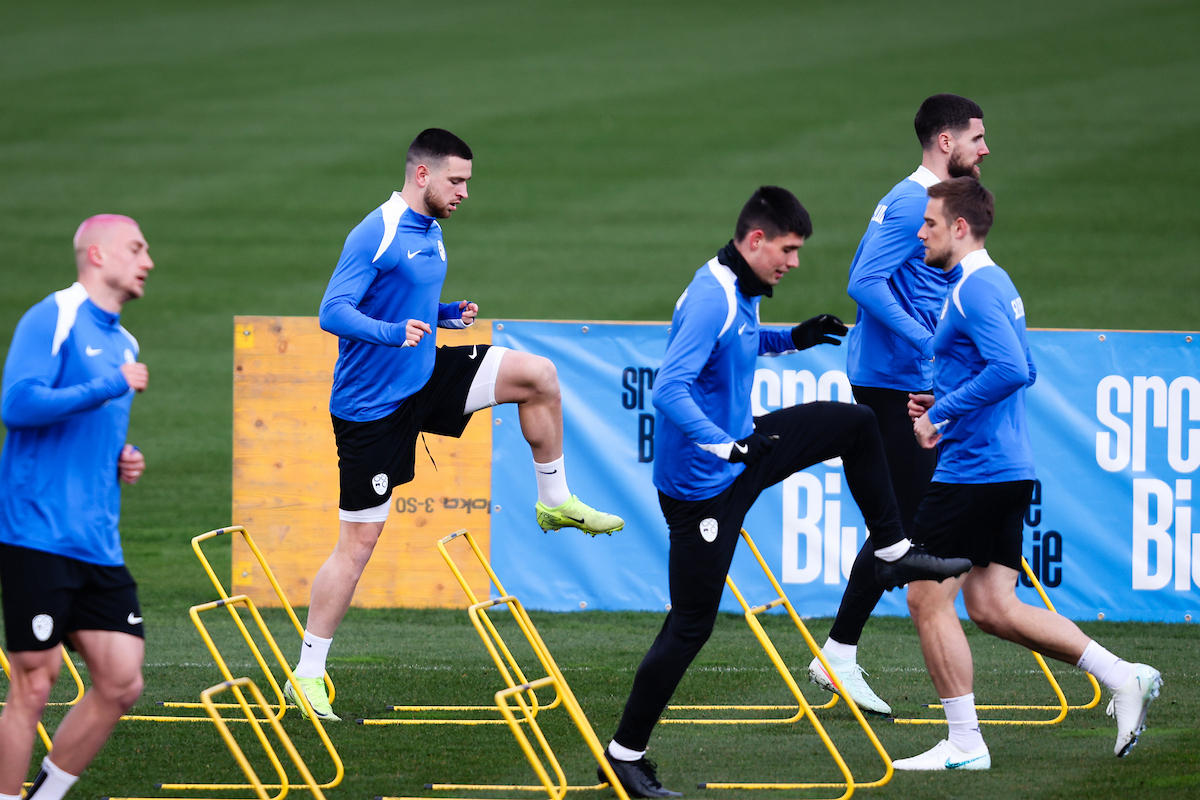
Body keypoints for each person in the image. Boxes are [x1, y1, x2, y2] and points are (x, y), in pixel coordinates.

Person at [599, 187, 971, 798]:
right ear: (755, 241)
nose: (794, 262)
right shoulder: (713, 297)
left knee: (856, 425)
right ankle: (623, 756)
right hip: (702, 490)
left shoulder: (738, 287)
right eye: (788, 250)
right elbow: (668, 389)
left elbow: (740, 342)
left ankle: (892, 549)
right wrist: (726, 447)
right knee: (691, 625)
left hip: (742, 453)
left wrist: (791, 338)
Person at [287, 128, 624, 722]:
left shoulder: (433, 227)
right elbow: (332, 312)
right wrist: (393, 332)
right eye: (457, 180)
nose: (465, 192)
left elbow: (402, 299)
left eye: (467, 181)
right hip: (371, 407)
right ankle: (307, 674)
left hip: (423, 376)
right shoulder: (378, 231)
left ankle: (554, 500)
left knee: (538, 376)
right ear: (422, 175)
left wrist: (441, 316)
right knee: (358, 545)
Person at [893, 177, 1162, 771]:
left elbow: (1013, 369)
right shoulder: (996, 282)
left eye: (930, 224)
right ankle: (1124, 677)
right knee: (993, 606)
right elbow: (1025, 368)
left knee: (924, 598)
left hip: (974, 473)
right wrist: (943, 396)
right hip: (1003, 467)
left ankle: (965, 744)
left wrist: (941, 412)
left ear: (959, 227)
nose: (920, 234)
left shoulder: (972, 288)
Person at [808, 94, 991, 716]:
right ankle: (837, 653)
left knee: (903, 523)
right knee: (904, 526)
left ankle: (839, 652)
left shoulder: (925, 200)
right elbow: (863, 281)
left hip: (902, 378)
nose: (985, 149)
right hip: (894, 382)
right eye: (977, 138)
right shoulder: (916, 200)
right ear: (946, 141)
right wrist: (928, 342)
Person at [0, 215, 153, 800]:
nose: (148, 262)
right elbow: (18, 405)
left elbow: (90, 431)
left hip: (97, 541)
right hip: (37, 533)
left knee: (121, 682)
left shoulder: (125, 342)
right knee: (35, 684)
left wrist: (122, 458)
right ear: (97, 254)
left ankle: (45, 796)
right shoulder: (55, 316)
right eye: (136, 249)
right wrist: (109, 384)